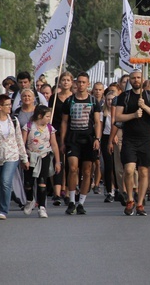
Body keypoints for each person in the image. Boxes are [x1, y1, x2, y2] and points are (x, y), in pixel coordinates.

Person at [111, 69, 150, 216]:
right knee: (128, 170)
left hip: (145, 138)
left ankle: (140, 203)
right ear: (129, 81)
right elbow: (118, 117)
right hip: (129, 139)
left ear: (142, 79)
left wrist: (145, 106)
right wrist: (133, 115)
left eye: (138, 77)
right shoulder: (123, 96)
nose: (136, 80)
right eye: (133, 78)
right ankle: (130, 199)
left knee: (144, 171)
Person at [60, 72, 102, 215]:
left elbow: (97, 122)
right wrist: (62, 142)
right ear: (75, 84)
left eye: (84, 82)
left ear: (88, 84)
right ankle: (71, 200)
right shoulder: (69, 101)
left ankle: (81, 202)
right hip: (73, 138)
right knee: (72, 168)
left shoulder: (93, 101)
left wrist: (97, 139)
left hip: (88, 139)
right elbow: (64, 121)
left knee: (87, 171)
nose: (81, 85)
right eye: (79, 82)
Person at [0, 94, 29, 220]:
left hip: (11, 156)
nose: (10, 107)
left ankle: (3, 210)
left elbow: (19, 139)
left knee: (5, 181)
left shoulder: (13, 121)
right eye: (7, 105)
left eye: (10, 104)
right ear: (0, 107)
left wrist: (24, 158)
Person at [23, 105, 61, 218]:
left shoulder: (50, 128)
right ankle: (30, 200)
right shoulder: (28, 126)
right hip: (30, 157)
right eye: (47, 116)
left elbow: (54, 144)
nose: (49, 118)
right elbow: (22, 142)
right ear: (40, 116)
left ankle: (42, 207)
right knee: (28, 183)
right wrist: (23, 158)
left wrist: (57, 161)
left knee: (42, 182)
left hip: (44, 156)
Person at [50, 71, 74, 205]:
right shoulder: (53, 98)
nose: (65, 82)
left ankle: (66, 189)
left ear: (72, 82)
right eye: (63, 80)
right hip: (56, 131)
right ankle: (57, 192)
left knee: (69, 163)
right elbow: (49, 115)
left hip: (72, 131)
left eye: (68, 80)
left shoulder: (74, 97)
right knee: (58, 161)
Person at [101, 89, 117, 203]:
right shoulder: (103, 113)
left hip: (117, 138)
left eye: (112, 99)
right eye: (108, 100)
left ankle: (118, 189)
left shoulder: (119, 112)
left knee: (117, 166)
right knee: (108, 165)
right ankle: (109, 190)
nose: (110, 102)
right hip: (106, 138)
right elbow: (100, 128)